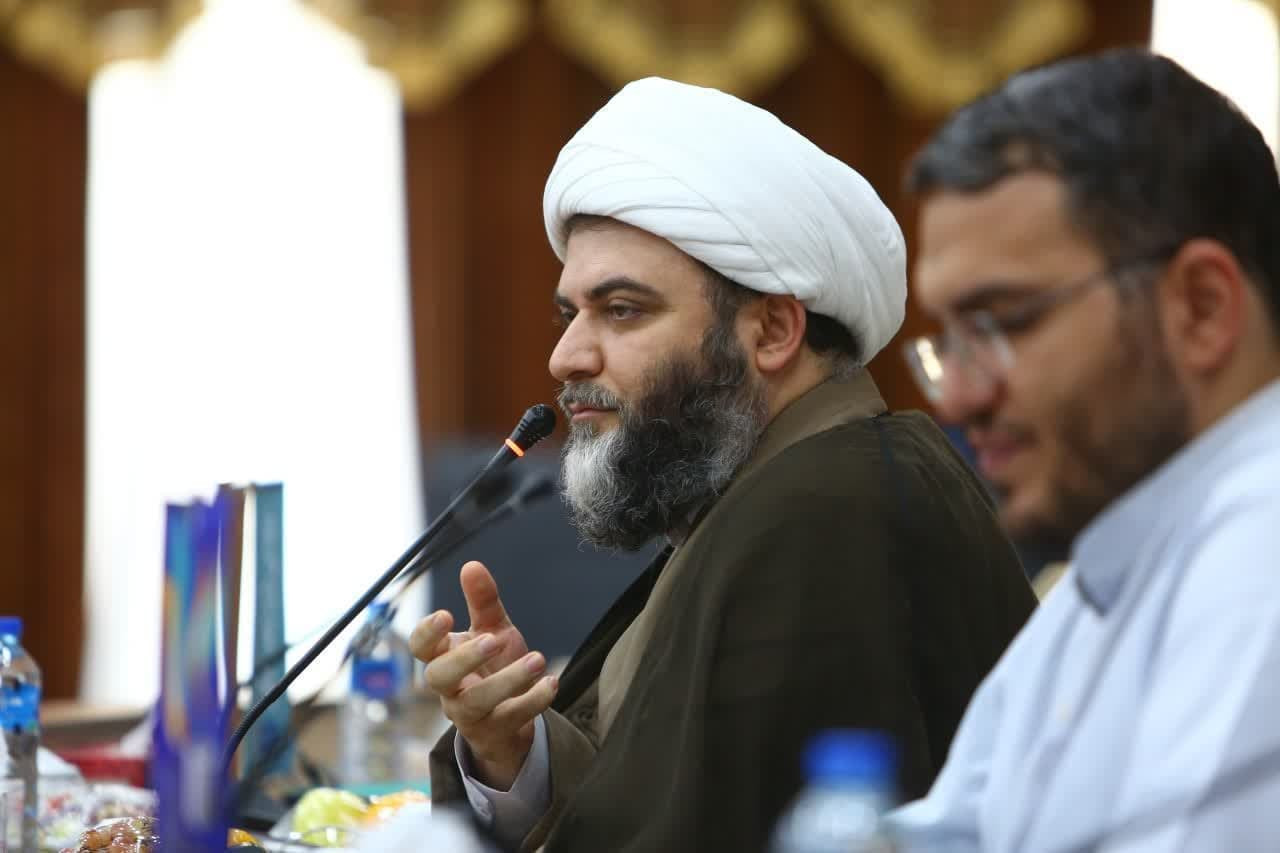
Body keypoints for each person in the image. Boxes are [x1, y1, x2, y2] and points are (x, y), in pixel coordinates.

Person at [413, 77, 1036, 853]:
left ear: (772, 331)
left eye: (622, 309)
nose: (565, 355)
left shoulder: (823, 515)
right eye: (571, 313)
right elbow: (655, 796)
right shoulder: (772, 489)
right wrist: (514, 749)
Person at [890, 48, 1280, 851]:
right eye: (950, 340)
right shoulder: (1109, 569)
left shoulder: (1261, 553)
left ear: (1202, 307)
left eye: (1006, 321)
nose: (957, 398)